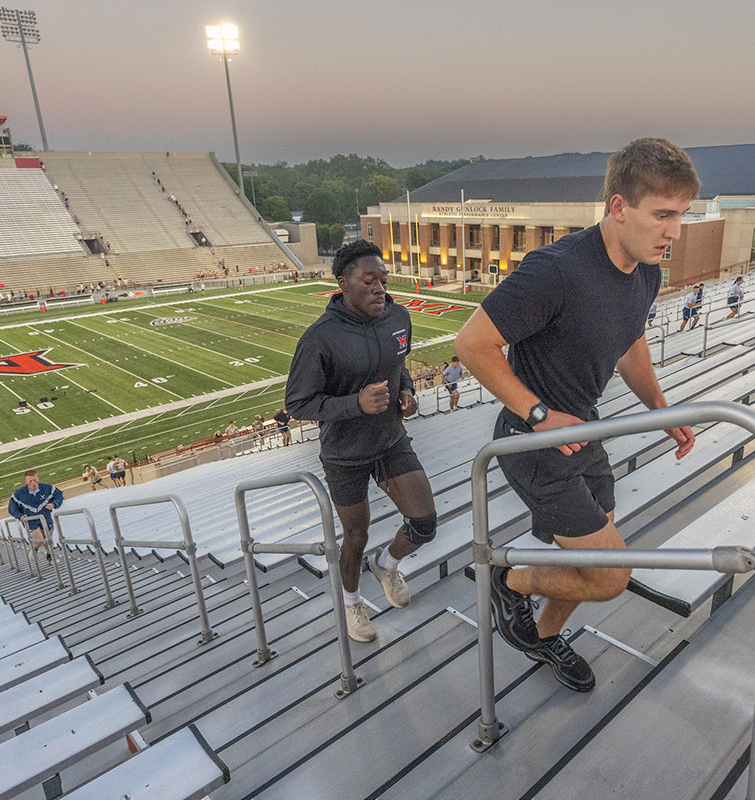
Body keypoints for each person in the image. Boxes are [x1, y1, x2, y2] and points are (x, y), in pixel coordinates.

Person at [454, 137, 698, 692]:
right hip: (532, 442)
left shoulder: (645, 270)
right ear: (618, 207)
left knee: (593, 564)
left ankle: (539, 638)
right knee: (611, 577)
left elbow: (629, 339)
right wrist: (538, 414)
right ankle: (508, 580)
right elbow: (471, 344)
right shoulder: (556, 270)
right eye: (662, 215)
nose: (674, 232)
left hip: (584, 432)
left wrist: (660, 408)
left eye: (681, 216)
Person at [286, 239, 438, 642]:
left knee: (424, 524)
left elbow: (398, 364)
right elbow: (298, 403)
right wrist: (355, 403)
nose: (379, 288)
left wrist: (406, 391)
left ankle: (386, 564)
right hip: (346, 453)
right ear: (343, 283)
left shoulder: (399, 318)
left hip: (390, 440)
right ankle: (352, 601)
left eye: (383, 280)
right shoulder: (320, 338)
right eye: (369, 280)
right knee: (355, 535)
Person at [7, 470, 64, 561]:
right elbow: (11, 508)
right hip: (30, 519)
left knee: (48, 539)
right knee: (38, 539)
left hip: (45, 517)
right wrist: (20, 516)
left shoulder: (48, 488)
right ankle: (34, 549)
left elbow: (59, 495)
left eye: (35, 480)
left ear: (38, 479)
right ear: (26, 482)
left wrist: (54, 504)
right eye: (30, 481)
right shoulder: (18, 494)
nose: (33, 483)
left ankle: (50, 557)